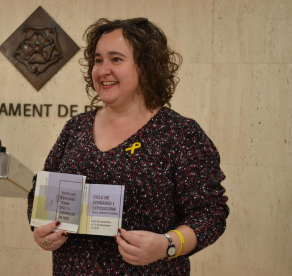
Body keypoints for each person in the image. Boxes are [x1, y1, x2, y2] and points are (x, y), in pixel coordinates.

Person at [27, 17, 229, 275]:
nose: (103, 70)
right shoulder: (75, 129)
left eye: (116, 59)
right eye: (98, 60)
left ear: (146, 67)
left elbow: (210, 214)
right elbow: (40, 198)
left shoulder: (179, 133)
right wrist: (43, 234)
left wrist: (166, 245)